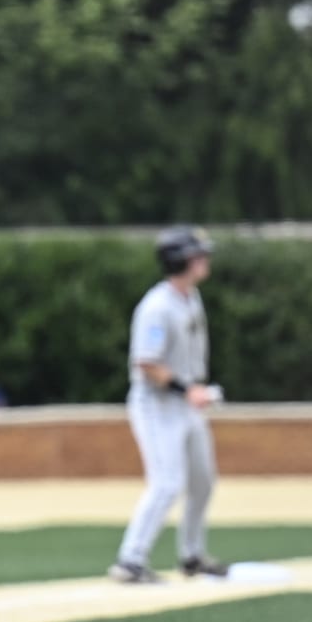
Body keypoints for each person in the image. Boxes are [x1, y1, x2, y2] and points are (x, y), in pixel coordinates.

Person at [110, 227, 226, 583]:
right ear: (181, 260)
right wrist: (186, 389)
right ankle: (131, 558)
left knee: (203, 480)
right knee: (167, 482)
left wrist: (192, 391)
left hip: (186, 403)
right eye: (198, 255)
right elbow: (146, 362)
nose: (204, 260)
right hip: (157, 405)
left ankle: (191, 554)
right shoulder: (157, 307)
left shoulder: (189, 297)